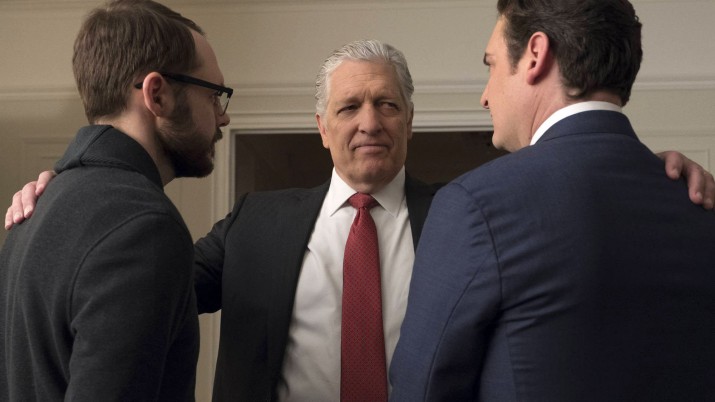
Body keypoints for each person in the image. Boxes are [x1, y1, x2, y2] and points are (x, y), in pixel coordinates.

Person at [4, 39, 714, 402]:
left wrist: (657, 171)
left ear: (409, 121)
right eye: (349, 107)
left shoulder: (470, 219)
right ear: (322, 128)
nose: (369, 122)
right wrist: (70, 196)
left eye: (387, 105)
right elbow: (139, 286)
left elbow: (580, 222)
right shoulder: (255, 222)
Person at [389, 0, 715, 401]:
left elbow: (421, 391)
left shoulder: (474, 205)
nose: (485, 97)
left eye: (491, 65)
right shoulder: (698, 202)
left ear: (536, 55)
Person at [0, 0, 231, 400]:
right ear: (157, 95)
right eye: (214, 95)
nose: (223, 116)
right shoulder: (143, 225)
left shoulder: (34, 212)